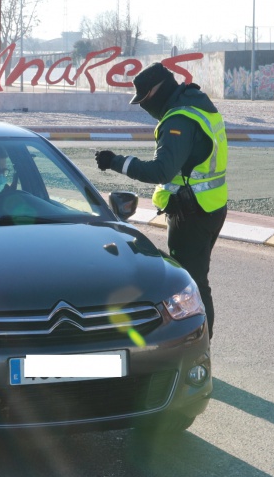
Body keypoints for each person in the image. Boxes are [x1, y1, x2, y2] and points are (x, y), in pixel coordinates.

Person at [95, 62, 228, 340]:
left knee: (190, 284)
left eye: (144, 99)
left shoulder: (179, 118)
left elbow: (161, 170)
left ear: (157, 90)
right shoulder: (197, 104)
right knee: (197, 280)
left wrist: (115, 162)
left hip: (192, 212)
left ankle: (198, 346)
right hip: (210, 205)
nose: (144, 106)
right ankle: (202, 342)